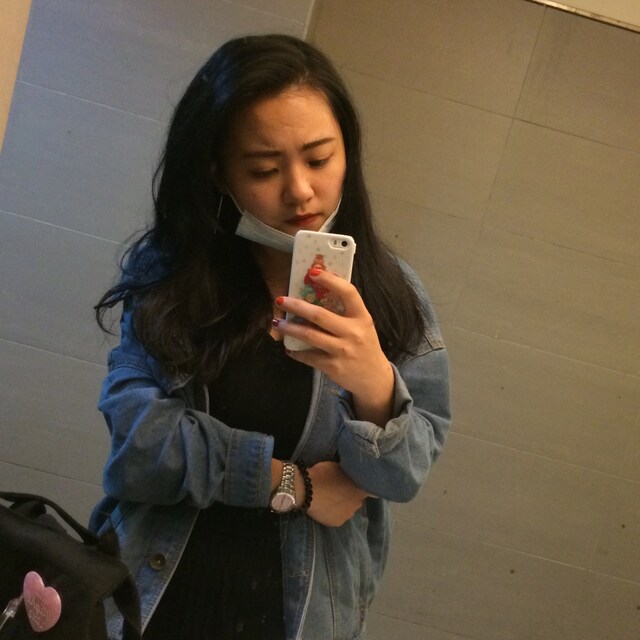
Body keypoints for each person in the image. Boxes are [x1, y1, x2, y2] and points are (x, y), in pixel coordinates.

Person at [91, 34, 451, 640]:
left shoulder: (393, 294)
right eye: (263, 168)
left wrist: (373, 384)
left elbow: (402, 477)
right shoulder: (175, 274)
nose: (300, 190)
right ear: (218, 172)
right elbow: (140, 447)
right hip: (151, 599)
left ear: (348, 151)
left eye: (319, 159)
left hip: (301, 617)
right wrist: (289, 482)